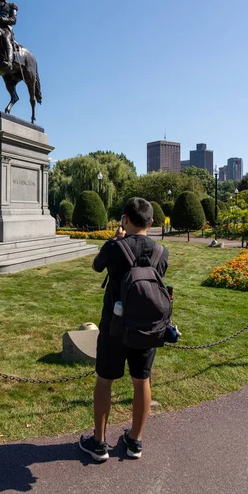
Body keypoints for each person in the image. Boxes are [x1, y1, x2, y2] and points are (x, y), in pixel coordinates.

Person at [79, 197, 168, 461]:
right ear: (151, 223)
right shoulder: (162, 252)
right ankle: (135, 442)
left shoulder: (114, 247)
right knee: (142, 379)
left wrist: (115, 240)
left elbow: (96, 267)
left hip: (114, 326)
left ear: (125, 219)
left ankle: (98, 443)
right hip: (146, 326)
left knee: (105, 379)